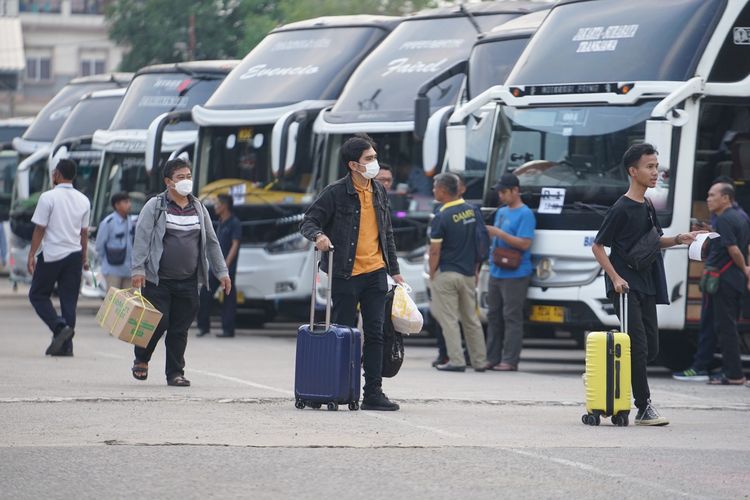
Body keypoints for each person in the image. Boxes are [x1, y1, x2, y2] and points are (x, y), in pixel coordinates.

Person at [592, 143, 702, 425]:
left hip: (647, 282)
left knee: (650, 347)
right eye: (649, 167)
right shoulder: (621, 208)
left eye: (656, 166)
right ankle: (643, 407)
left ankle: (611, 374)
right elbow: (598, 246)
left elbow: (654, 241)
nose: (656, 172)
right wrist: (616, 278)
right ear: (633, 171)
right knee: (638, 348)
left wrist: (679, 239)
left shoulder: (648, 205)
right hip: (626, 287)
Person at [300, 134, 404, 411]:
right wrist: (319, 236)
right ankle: (337, 388)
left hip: (375, 273)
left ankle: (373, 393)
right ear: (352, 165)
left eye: (374, 157)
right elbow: (308, 221)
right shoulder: (335, 192)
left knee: (376, 334)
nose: (374, 164)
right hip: (345, 273)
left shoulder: (379, 191)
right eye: (368, 159)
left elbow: (387, 234)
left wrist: (395, 271)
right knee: (344, 333)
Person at [131, 158, 231, 387]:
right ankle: (142, 357)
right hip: (158, 280)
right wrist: (138, 269)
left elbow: (212, 243)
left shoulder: (199, 208)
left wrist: (222, 272)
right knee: (159, 321)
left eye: (188, 176)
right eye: (180, 177)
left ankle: (175, 373)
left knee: (179, 328)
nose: (186, 181)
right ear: (168, 182)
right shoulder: (155, 206)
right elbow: (142, 239)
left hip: (188, 281)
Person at [27, 159, 90, 357]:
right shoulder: (83, 200)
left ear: (58, 174)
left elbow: (40, 227)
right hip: (73, 255)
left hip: (53, 253)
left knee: (37, 295)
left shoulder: (48, 197)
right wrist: (84, 256)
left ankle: (58, 327)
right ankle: (66, 346)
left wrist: (32, 253)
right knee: (69, 301)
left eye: (54, 172)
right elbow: (84, 233)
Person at [428, 172, 488, 372]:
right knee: (471, 319)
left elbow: (435, 250)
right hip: (468, 273)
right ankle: (480, 361)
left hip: (446, 273)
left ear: (444, 191)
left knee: (449, 319)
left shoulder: (441, 215)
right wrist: (477, 268)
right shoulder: (472, 211)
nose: (433, 190)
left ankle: (456, 360)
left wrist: (432, 272)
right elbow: (480, 241)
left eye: (435, 187)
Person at [484, 172, 535, 371]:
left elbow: (524, 243)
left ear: (516, 191)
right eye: (499, 192)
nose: (501, 196)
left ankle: (510, 359)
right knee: (493, 315)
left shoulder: (525, 214)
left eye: (504, 192)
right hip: (496, 269)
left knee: (511, 316)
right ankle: (492, 357)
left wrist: (498, 233)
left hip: (516, 273)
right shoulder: (502, 211)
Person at [703, 182, 749, 385]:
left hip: (726, 280)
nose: (708, 199)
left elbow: (734, 250)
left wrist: (745, 269)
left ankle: (734, 374)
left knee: (726, 327)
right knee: (727, 326)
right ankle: (732, 371)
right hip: (734, 280)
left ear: (725, 198)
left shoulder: (724, 219)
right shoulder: (741, 216)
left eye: (713, 195)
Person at [197, 194, 241, 338]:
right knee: (205, 294)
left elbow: (235, 244)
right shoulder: (220, 222)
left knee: (228, 298)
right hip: (215, 267)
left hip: (227, 269)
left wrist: (225, 265)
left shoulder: (234, 223)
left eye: (217, 204)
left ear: (225, 205)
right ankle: (203, 327)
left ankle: (228, 330)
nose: (215, 207)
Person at [95, 192, 133, 290]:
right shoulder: (108, 222)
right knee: (114, 302)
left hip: (129, 270)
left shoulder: (131, 221)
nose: (129, 205)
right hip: (113, 270)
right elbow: (99, 246)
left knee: (129, 302)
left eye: (129, 201)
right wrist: (104, 264)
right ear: (117, 205)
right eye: (125, 202)